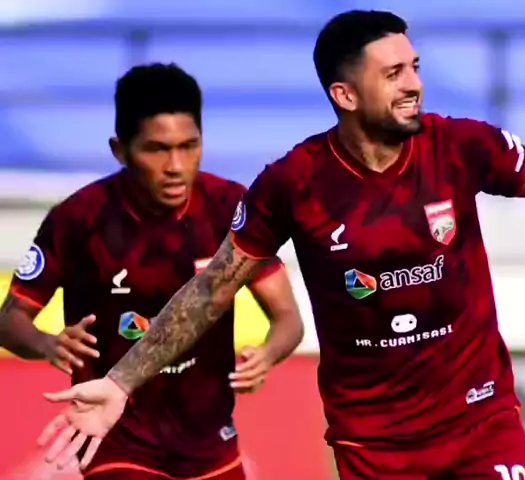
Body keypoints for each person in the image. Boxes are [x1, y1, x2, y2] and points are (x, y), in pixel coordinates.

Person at [35, 11, 525, 480]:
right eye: (394, 73)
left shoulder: (461, 147)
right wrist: (124, 381)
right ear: (345, 94)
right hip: (373, 444)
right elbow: (213, 289)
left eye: (415, 67)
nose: (414, 84)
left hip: (478, 417)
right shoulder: (293, 184)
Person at [0, 63, 305, 480]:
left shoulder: (228, 207)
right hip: (115, 439)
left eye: (189, 146)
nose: (176, 165)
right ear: (120, 150)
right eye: (157, 149)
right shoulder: (78, 219)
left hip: (211, 442)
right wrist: (47, 343)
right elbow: (10, 320)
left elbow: (288, 317)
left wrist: (268, 354)